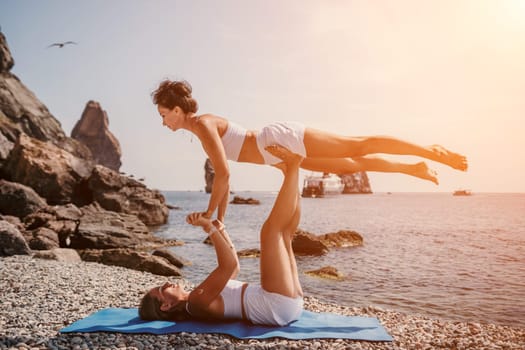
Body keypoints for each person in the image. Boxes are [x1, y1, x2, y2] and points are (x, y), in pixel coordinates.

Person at [152, 79, 468, 222]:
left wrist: (209, 214)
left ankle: (430, 150)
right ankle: (412, 168)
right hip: (276, 154)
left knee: (358, 143)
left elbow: (223, 174)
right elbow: (225, 180)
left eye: (165, 114)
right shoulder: (201, 129)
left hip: (279, 141)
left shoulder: (204, 127)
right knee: (349, 166)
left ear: (178, 110)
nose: (164, 122)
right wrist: (218, 219)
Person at [139, 145, 305, 326]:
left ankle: (291, 172)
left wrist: (220, 230)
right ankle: (293, 168)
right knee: (270, 232)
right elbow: (229, 265)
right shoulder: (195, 303)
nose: (167, 283)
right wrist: (209, 229)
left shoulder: (197, 296)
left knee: (286, 234)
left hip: (287, 305)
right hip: (275, 305)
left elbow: (233, 269)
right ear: (166, 306)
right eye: (162, 289)